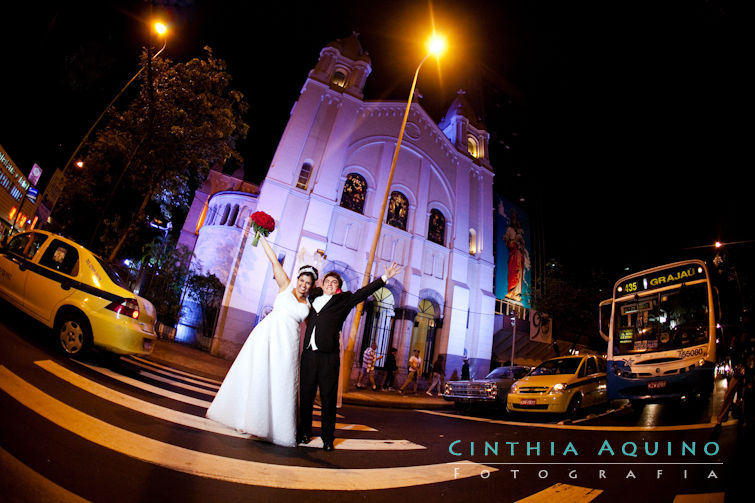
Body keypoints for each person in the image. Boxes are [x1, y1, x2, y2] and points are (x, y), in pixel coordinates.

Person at [206, 235, 316, 447]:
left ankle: (272, 426)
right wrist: (262, 237)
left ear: (311, 286)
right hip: (268, 334)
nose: (303, 285)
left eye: (307, 283)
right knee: (258, 373)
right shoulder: (284, 287)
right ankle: (244, 419)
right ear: (298, 279)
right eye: (302, 281)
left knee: (280, 380)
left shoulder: (308, 307)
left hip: (289, 343)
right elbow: (274, 260)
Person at [298, 262, 402, 452]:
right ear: (322, 283)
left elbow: (363, 293)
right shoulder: (312, 297)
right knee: (305, 397)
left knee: (328, 400)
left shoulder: (343, 300)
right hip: (309, 355)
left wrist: (384, 278)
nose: (330, 284)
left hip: (329, 357)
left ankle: (327, 438)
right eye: (327, 281)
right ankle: (304, 433)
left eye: (334, 282)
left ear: (338, 286)